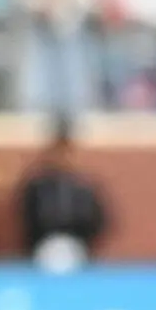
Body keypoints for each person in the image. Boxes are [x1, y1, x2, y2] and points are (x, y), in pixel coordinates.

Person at [17, 116, 107, 272]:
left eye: (66, 150)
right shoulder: (37, 187)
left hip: (80, 250)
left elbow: (99, 221)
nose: (62, 156)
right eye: (58, 150)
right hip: (42, 251)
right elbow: (25, 218)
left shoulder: (84, 188)